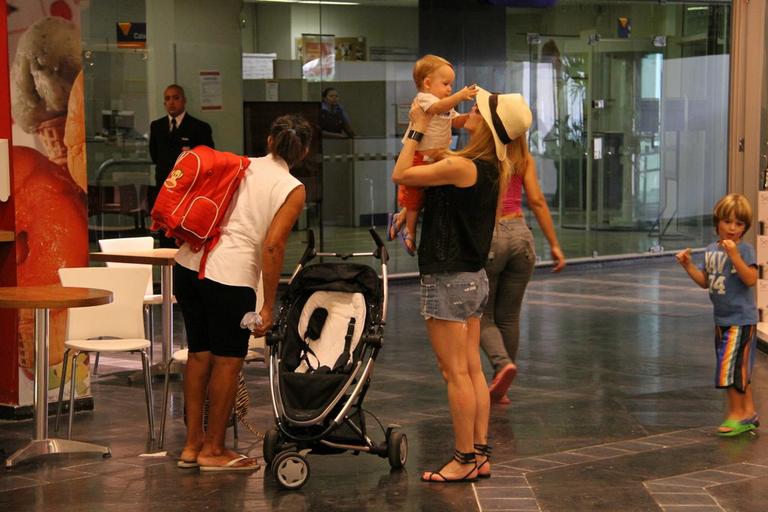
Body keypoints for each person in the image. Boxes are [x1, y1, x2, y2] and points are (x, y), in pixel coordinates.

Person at [392, 87, 532, 482]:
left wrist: (417, 130)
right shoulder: (486, 164)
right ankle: (479, 454)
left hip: (450, 279)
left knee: (455, 373)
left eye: (477, 109)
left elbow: (401, 172)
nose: (470, 109)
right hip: (470, 279)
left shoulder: (464, 167)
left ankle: (464, 458)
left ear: (487, 126)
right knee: (470, 371)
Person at [173, 114, 309, 471]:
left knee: (199, 355)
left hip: (188, 265)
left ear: (268, 141)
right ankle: (214, 450)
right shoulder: (292, 187)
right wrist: (267, 305)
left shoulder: (240, 164)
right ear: (304, 152)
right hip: (230, 276)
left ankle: (191, 446)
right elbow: (273, 246)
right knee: (228, 361)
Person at [481, 142, 566, 405]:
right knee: (508, 317)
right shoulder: (522, 155)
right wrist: (554, 244)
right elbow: (537, 201)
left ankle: (502, 363)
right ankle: (501, 386)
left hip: (492, 235)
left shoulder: (481, 154)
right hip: (521, 235)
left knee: (480, 314)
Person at [675, 193, 759, 437]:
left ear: (745, 228)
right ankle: (749, 412)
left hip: (741, 320)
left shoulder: (745, 249)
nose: (732, 228)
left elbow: (751, 279)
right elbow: (705, 281)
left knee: (730, 369)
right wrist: (688, 265)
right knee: (739, 367)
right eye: (727, 222)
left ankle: (735, 415)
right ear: (717, 223)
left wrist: (735, 255)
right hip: (721, 320)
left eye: (739, 224)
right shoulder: (711, 250)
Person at [389, 54, 477, 256]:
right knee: (413, 197)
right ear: (427, 83)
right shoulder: (425, 99)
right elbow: (438, 109)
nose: (450, 89)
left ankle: (400, 218)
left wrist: (470, 116)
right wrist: (460, 96)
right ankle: (410, 232)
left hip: (438, 155)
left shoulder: (446, 102)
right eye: (446, 84)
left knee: (428, 193)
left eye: (452, 85)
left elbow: (454, 120)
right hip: (419, 156)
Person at [149, 84, 215, 247]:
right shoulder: (157, 127)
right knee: (166, 236)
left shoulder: (199, 128)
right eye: (167, 98)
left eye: (176, 98)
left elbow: (208, 159)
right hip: (165, 187)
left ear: (184, 101)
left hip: (189, 191)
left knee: (185, 237)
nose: (171, 102)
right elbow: (155, 155)